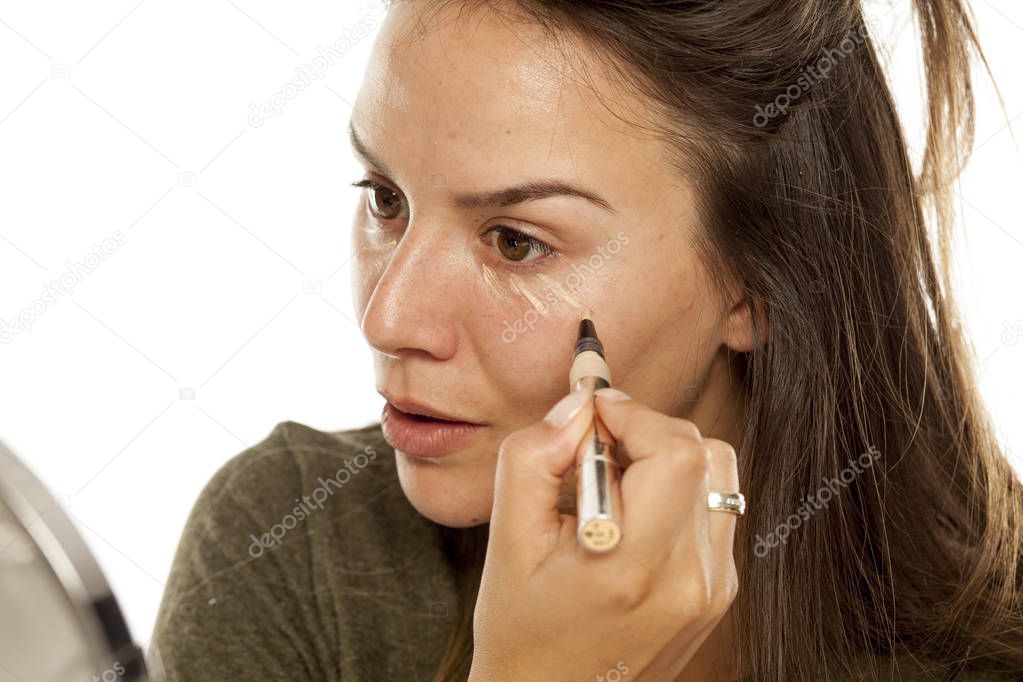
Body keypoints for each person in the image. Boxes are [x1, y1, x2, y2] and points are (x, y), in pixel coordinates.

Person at [150, 1, 1023, 679]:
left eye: (517, 241)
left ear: (757, 284)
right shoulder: (291, 551)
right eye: (385, 199)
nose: (389, 319)